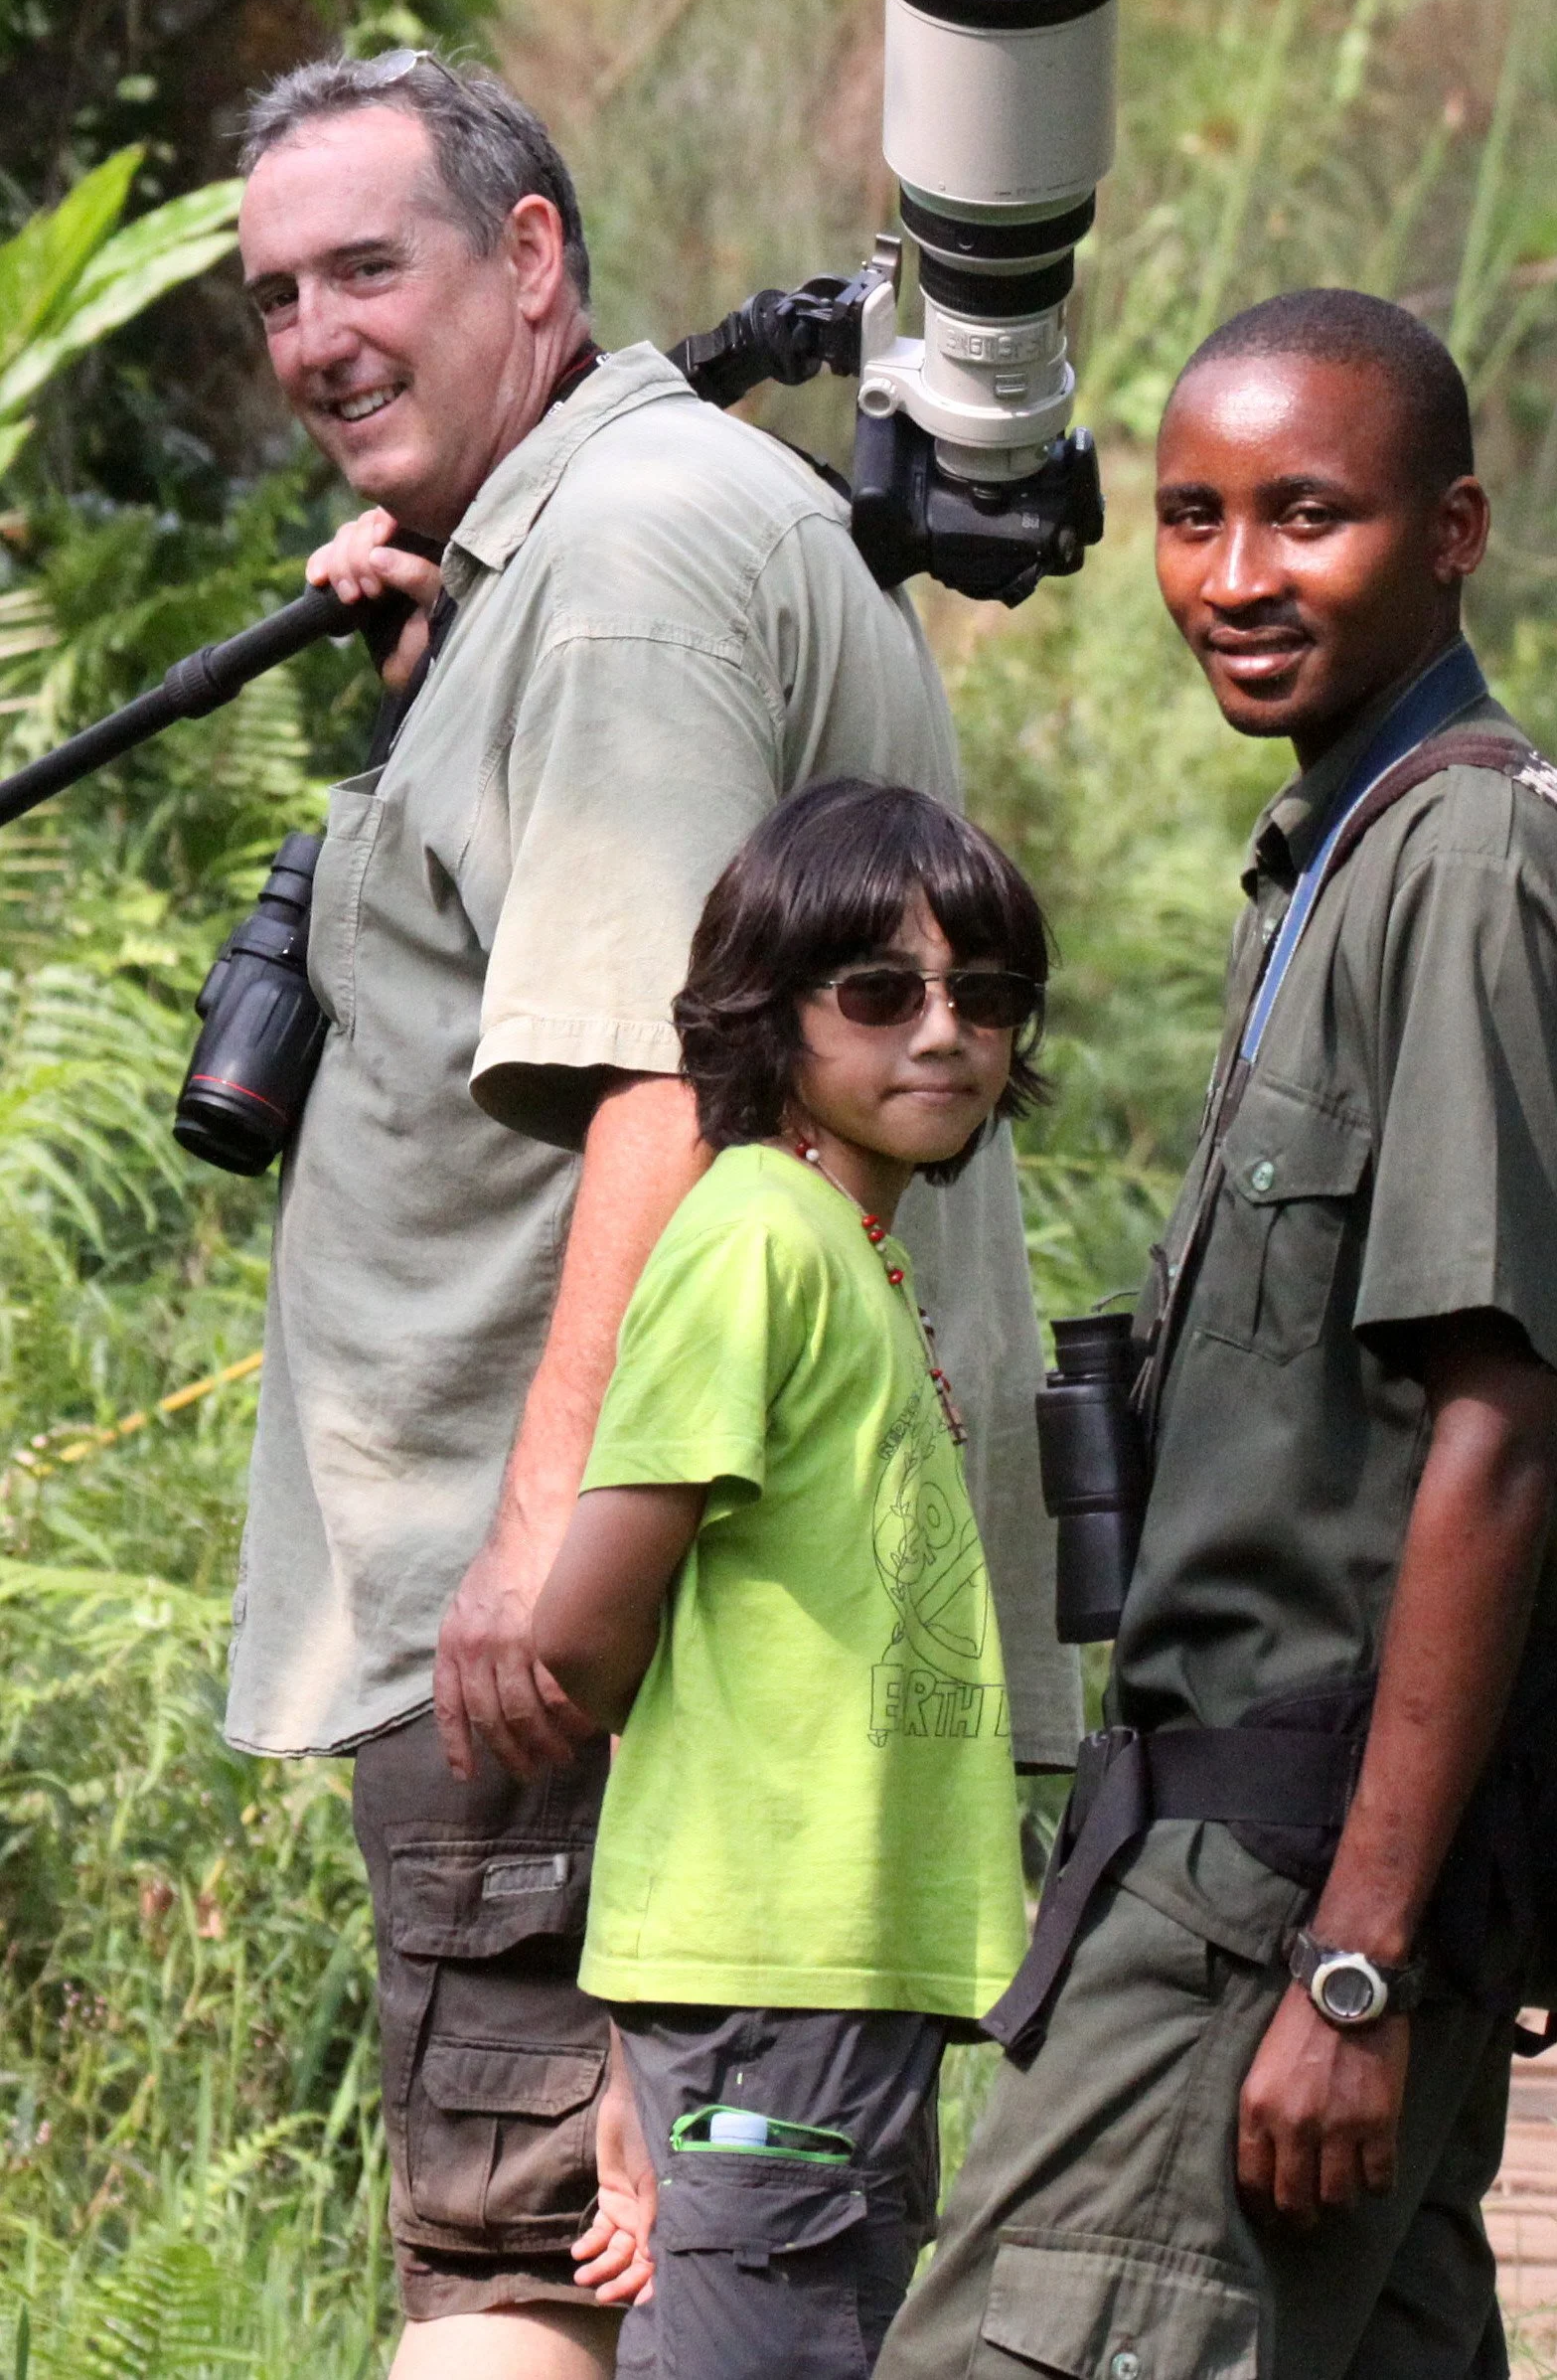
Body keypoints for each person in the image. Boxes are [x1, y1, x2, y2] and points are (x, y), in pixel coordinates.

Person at [225, 50, 1079, 2380]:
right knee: (679, 2275)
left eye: (367, 267)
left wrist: (536, 1561)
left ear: (531, 259)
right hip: (704, 1601)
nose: (315, 338)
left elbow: (661, 1079)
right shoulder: (626, 539)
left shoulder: (618, 569)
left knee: (522, 2272)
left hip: (609, 1608)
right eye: (277, 295)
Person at [874, 288, 1557, 2380]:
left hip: (1284, 1885)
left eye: (1306, 516)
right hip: (1238, 1845)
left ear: (1452, 530)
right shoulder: (1335, 849)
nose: (1234, 578)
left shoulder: (1469, 867)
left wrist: (1355, 1964)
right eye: (1192, 516)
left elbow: (1496, 1434)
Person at [533, 777, 1044, 2378]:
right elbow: (583, 1622)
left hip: (832, 1978)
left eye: (986, 995)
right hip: (775, 1980)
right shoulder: (758, 1235)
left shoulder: (849, 1245)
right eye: (882, 992)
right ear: (772, 1011)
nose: (944, 1032)